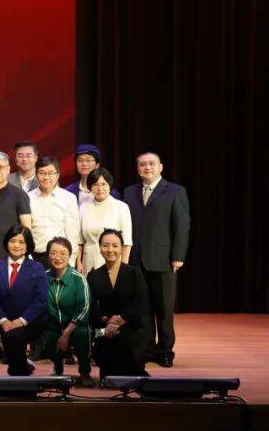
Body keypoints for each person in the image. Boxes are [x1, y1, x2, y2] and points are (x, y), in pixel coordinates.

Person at [124, 152, 190, 368]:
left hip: (163, 260)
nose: (147, 167)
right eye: (143, 164)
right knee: (142, 308)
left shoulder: (175, 191)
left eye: (152, 164)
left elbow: (182, 226)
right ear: (138, 169)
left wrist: (178, 256)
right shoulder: (129, 192)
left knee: (164, 309)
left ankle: (165, 351)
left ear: (160, 167)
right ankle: (147, 349)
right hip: (136, 259)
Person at [87, 229, 150, 380]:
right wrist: (106, 320)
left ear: (122, 248)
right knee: (108, 343)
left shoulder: (134, 272)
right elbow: (91, 305)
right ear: (100, 249)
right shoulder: (93, 275)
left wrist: (121, 319)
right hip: (105, 326)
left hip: (130, 323)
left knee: (127, 339)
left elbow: (141, 301)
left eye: (115, 245)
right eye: (105, 245)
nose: (110, 250)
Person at [37, 236, 94, 386]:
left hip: (75, 325)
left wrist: (66, 334)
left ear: (70, 256)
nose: (58, 257)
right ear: (48, 255)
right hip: (54, 325)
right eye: (53, 253)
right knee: (49, 336)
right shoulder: (43, 277)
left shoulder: (78, 279)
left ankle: (84, 372)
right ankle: (57, 366)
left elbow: (84, 308)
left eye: (63, 253)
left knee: (81, 334)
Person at [0, 226, 47, 376]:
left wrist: (21, 321)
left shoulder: (37, 268)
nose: (16, 245)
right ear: (6, 242)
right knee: (11, 341)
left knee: (13, 339)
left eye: (21, 242)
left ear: (28, 245)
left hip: (31, 321)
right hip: (5, 322)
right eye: (13, 241)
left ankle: (18, 376)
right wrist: (3, 320)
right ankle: (23, 369)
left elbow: (41, 301)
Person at [28, 156, 81, 268]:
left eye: (51, 173)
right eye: (42, 173)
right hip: (34, 257)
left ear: (57, 175)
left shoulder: (69, 198)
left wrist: (70, 262)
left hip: (60, 257)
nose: (46, 177)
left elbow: (73, 233)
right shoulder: (27, 198)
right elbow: (26, 230)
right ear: (36, 174)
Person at [78, 168, 133, 274]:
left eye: (103, 184)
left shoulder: (121, 207)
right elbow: (79, 241)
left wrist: (123, 268)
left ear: (109, 185)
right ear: (90, 187)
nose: (100, 188)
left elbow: (127, 242)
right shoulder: (83, 208)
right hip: (88, 263)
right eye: (95, 184)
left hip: (113, 262)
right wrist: (78, 263)